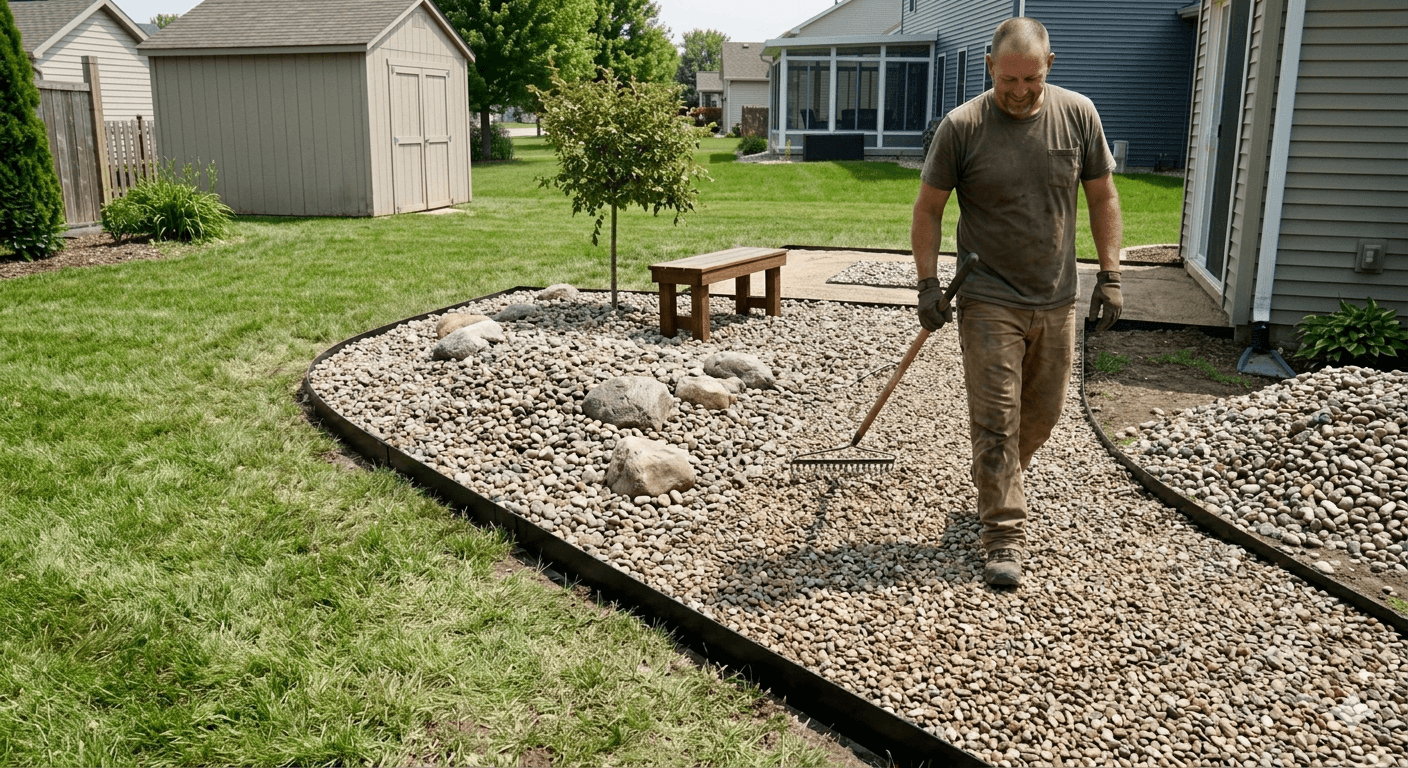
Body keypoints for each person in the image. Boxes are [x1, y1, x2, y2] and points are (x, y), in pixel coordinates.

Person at [910, 17, 1124, 587]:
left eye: (1031, 78)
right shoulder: (963, 127)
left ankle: (998, 482)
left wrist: (1112, 274)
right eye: (1009, 78)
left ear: (1049, 66)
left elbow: (1103, 196)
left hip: (1056, 296)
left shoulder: (1078, 115)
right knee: (997, 419)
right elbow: (928, 209)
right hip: (987, 295)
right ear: (989, 66)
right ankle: (1002, 533)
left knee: (1043, 414)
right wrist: (928, 285)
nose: (1020, 90)